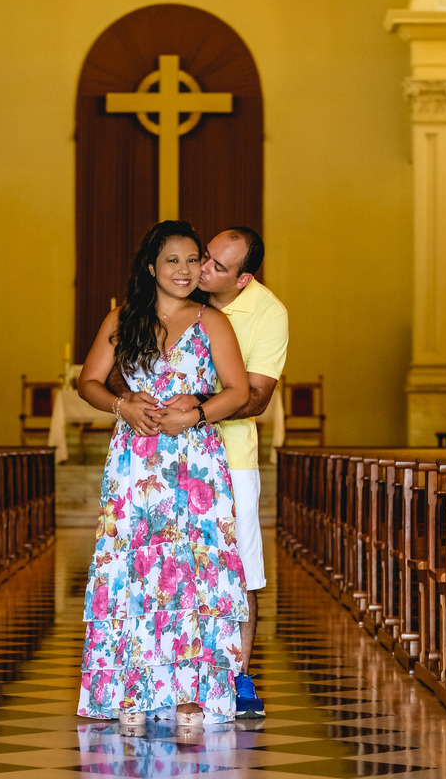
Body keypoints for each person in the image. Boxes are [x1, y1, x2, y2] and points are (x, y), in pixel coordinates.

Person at [75, 220, 252, 732]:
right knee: (135, 568)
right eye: (172, 260)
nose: (185, 269)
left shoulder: (213, 321)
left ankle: (192, 694)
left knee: (192, 570)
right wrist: (121, 404)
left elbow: (238, 392)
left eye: (193, 260)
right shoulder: (122, 318)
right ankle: (130, 687)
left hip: (195, 463)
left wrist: (195, 413)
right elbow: (86, 381)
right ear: (151, 267)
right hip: (136, 461)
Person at [112, 226, 288, 719]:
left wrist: (197, 408)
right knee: (163, 566)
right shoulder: (161, 304)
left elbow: (254, 395)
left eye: (215, 266)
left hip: (229, 458)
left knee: (237, 571)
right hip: (158, 459)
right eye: (201, 257)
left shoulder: (267, 312)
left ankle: (235, 678)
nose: (201, 269)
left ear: (243, 278)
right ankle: (155, 674)